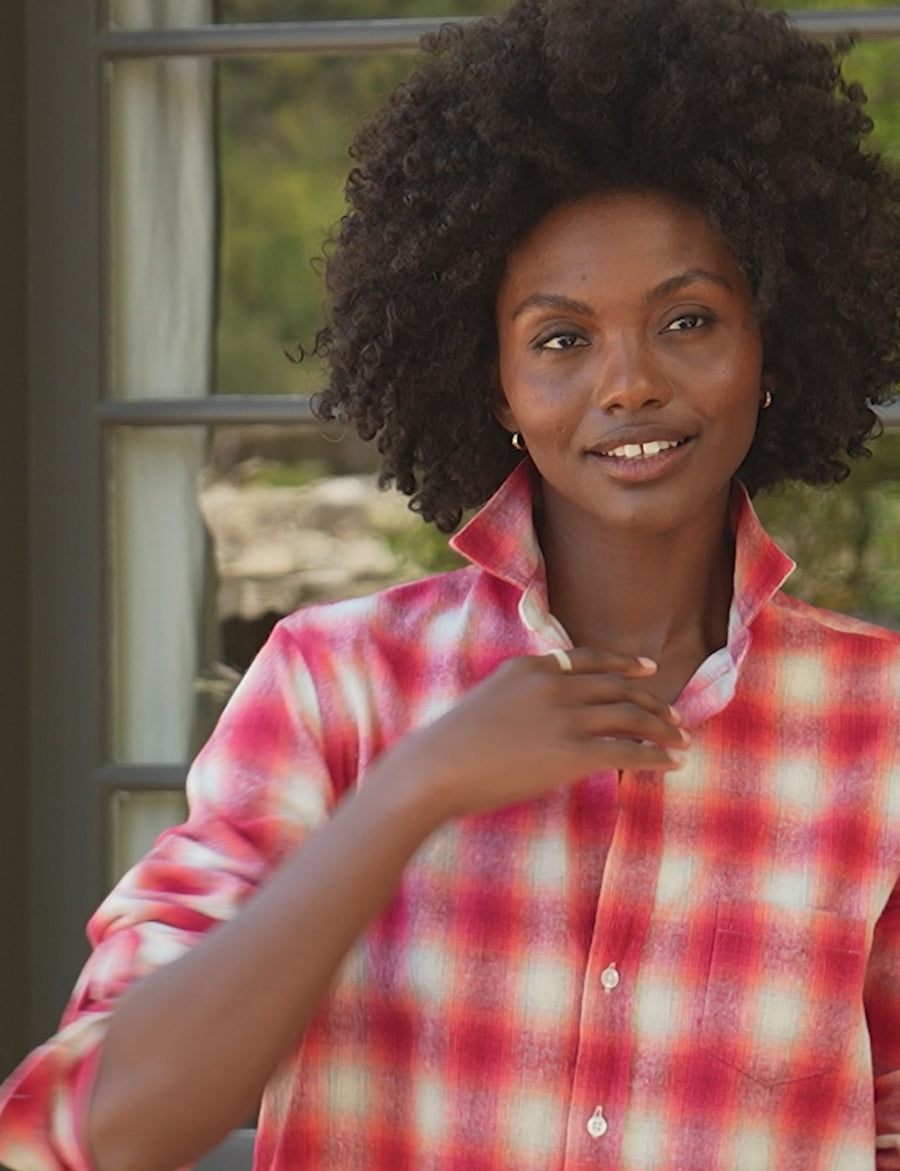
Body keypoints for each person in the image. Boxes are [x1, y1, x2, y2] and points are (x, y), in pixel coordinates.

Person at [3, 0, 900, 1167]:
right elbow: (92, 1129)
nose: (627, 384)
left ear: (772, 347)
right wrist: (407, 794)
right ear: (491, 384)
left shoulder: (879, 724)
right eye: (561, 339)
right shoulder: (338, 688)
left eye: (688, 319)